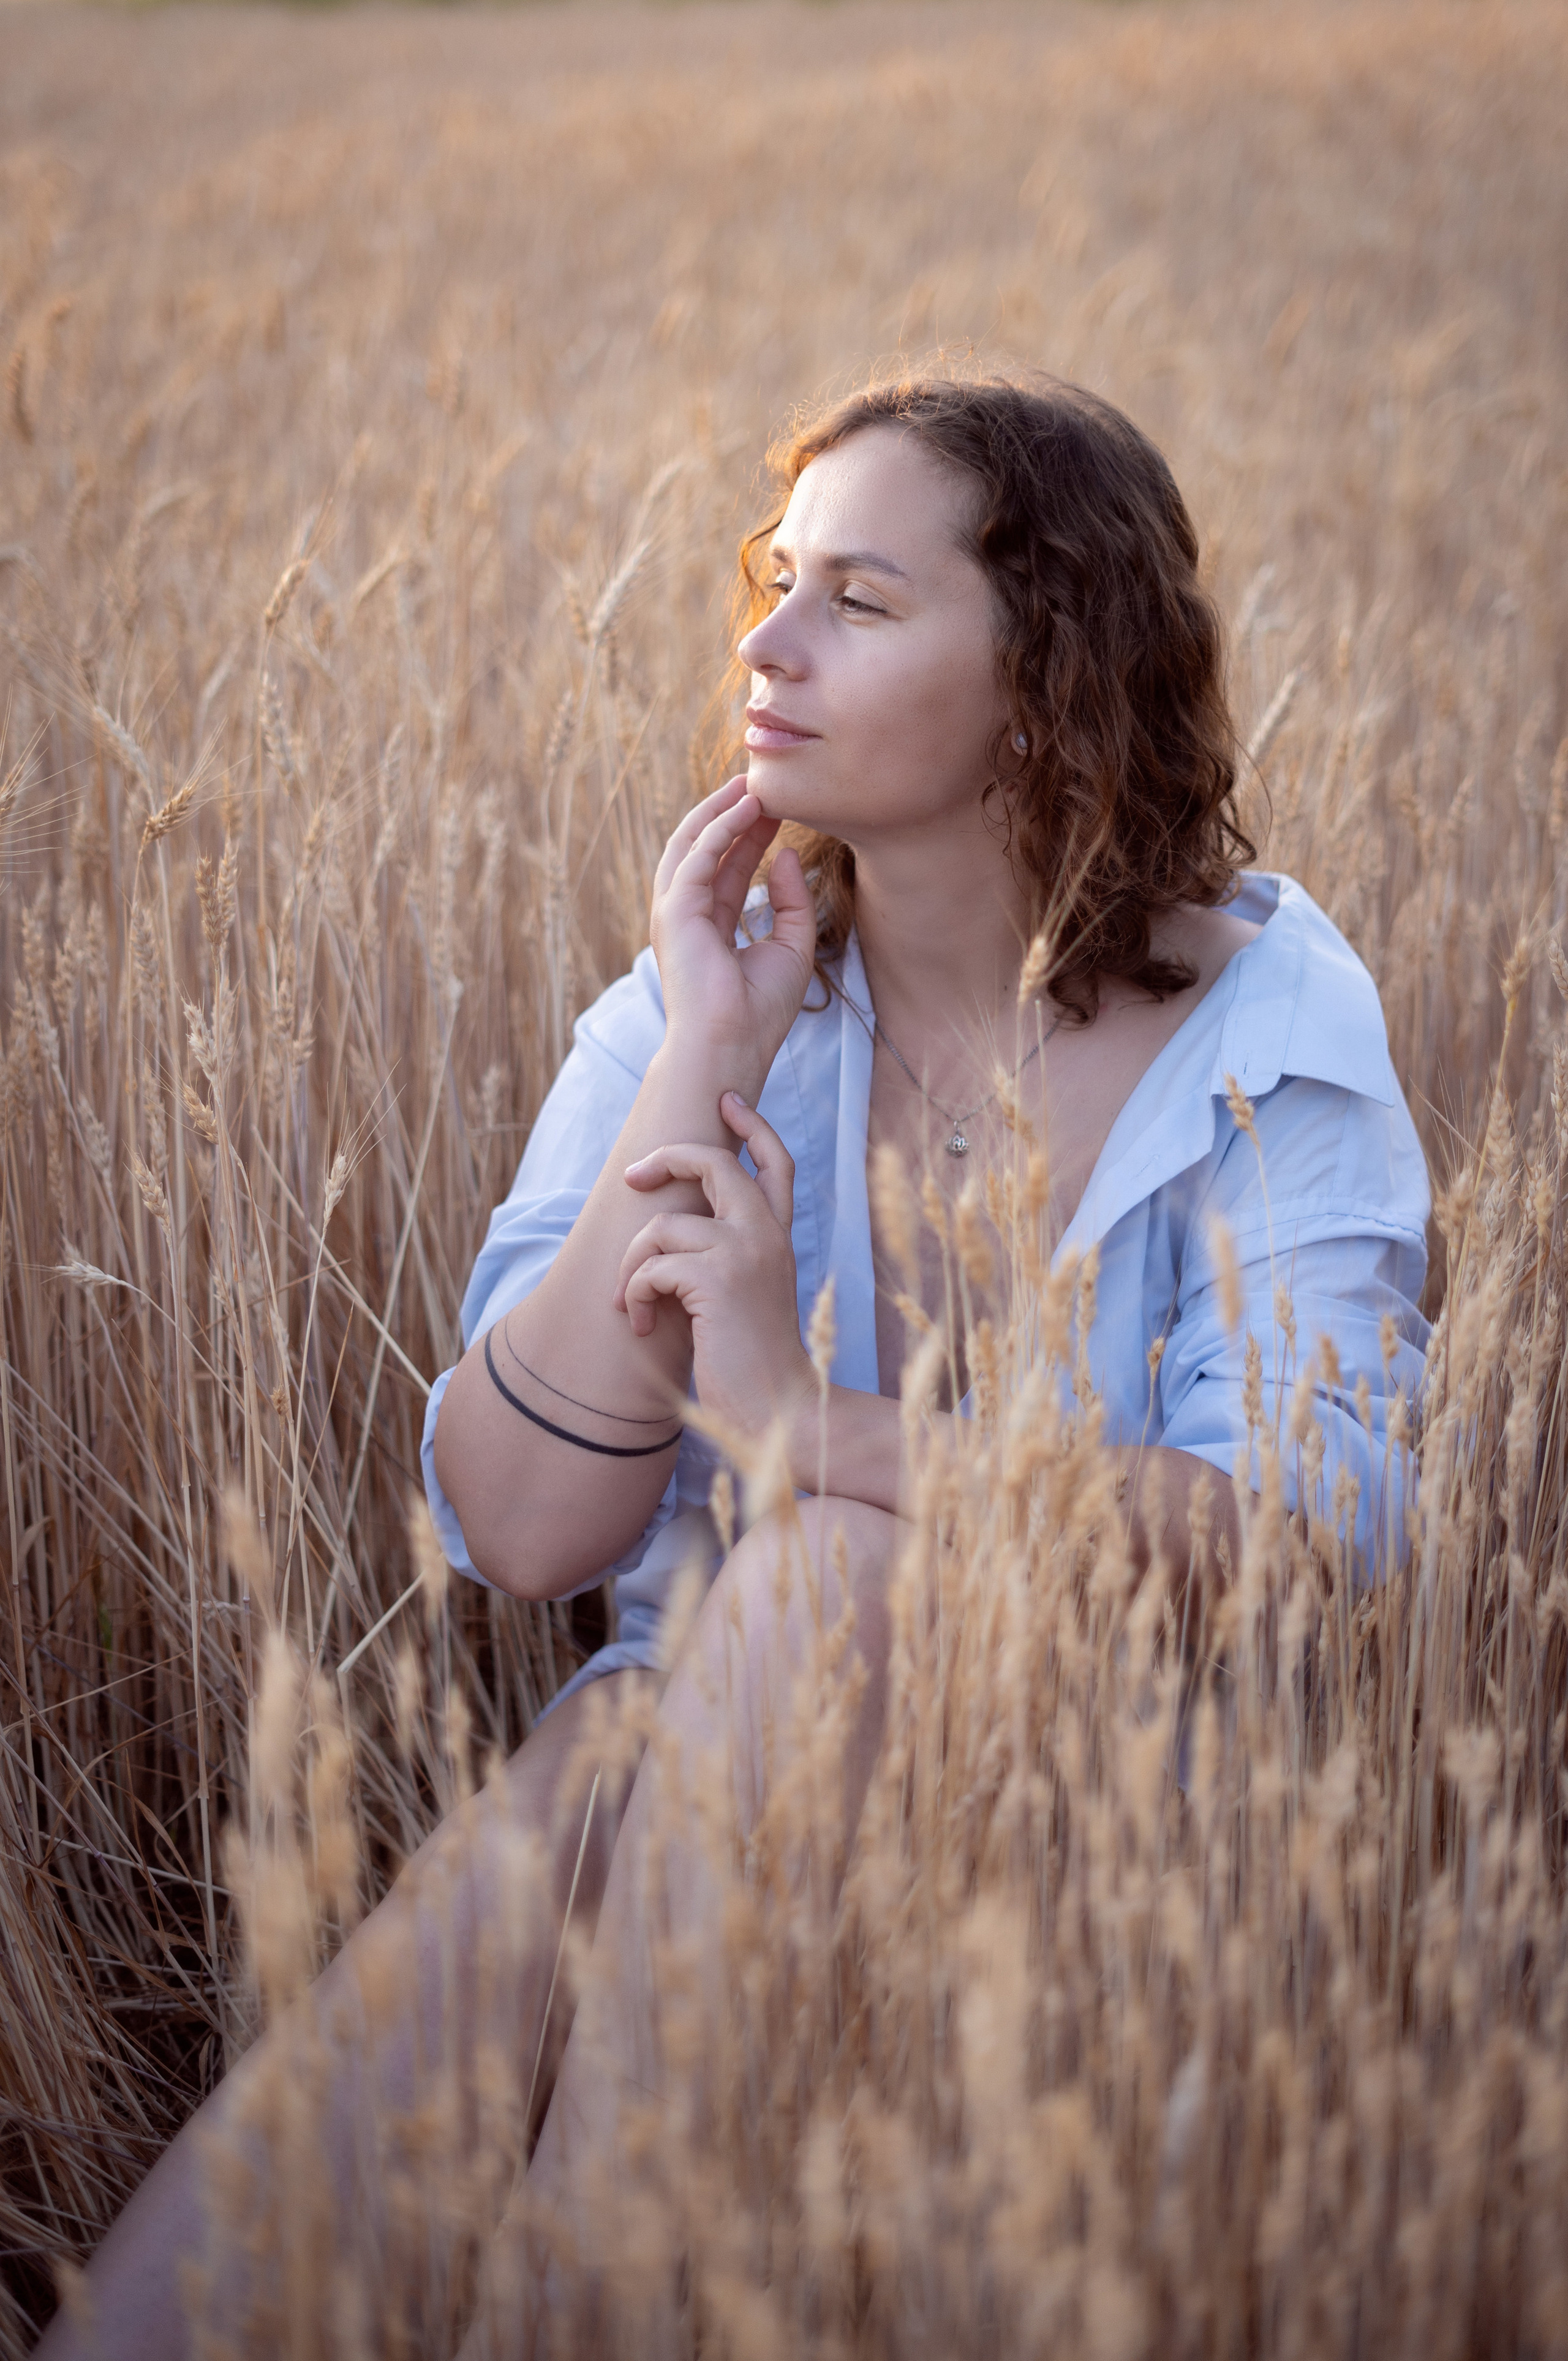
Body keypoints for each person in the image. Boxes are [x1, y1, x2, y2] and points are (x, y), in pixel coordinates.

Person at [43, 374, 1430, 2359]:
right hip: (677, 1795)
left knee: (828, 1573)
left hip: (1118, 1850)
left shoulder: (1266, 1027)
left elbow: (1313, 1541)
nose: (762, 643)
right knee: (181, 2307)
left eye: (858, 601)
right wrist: (711, 1048)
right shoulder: (709, 990)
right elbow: (522, 1530)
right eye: (773, 583)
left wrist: (801, 1421)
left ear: (1044, 675)